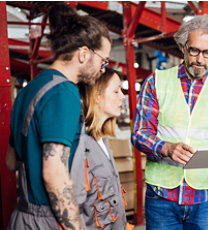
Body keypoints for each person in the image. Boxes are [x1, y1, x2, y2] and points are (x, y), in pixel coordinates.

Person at [132, 15, 208, 229]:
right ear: (183, 47)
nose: (200, 59)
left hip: (204, 197)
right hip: (162, 195)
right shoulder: (156, 82)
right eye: (194, 50)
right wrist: (165, 147)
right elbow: (140, 132)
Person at [6, 4, 111, 229]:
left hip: (22, 216)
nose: (103, 69)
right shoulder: (64, 92)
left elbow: (11, 161)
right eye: (104, 61)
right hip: (50, 220)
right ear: (83, 53)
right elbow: (54, 173)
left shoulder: (29, 90)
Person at [71, 68, 127, 229]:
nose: (123, 96)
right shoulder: (81, 145)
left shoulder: (102, 142)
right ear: (97, 96)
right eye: (116, 91)